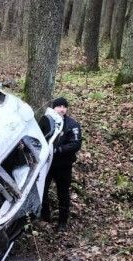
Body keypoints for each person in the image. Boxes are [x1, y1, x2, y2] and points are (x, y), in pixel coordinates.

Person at [42, 97, 82, 231]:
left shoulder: (72, 124)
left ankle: (62, 222)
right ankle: (44, 217)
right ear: (54, 108)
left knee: (63, 194)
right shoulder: (47, 121)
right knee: (43, 191)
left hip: (64, 165)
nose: (62, 109)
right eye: (59, 106)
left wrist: (58, 150)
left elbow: (76, 144)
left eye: (64, 106)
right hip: (47, 165)